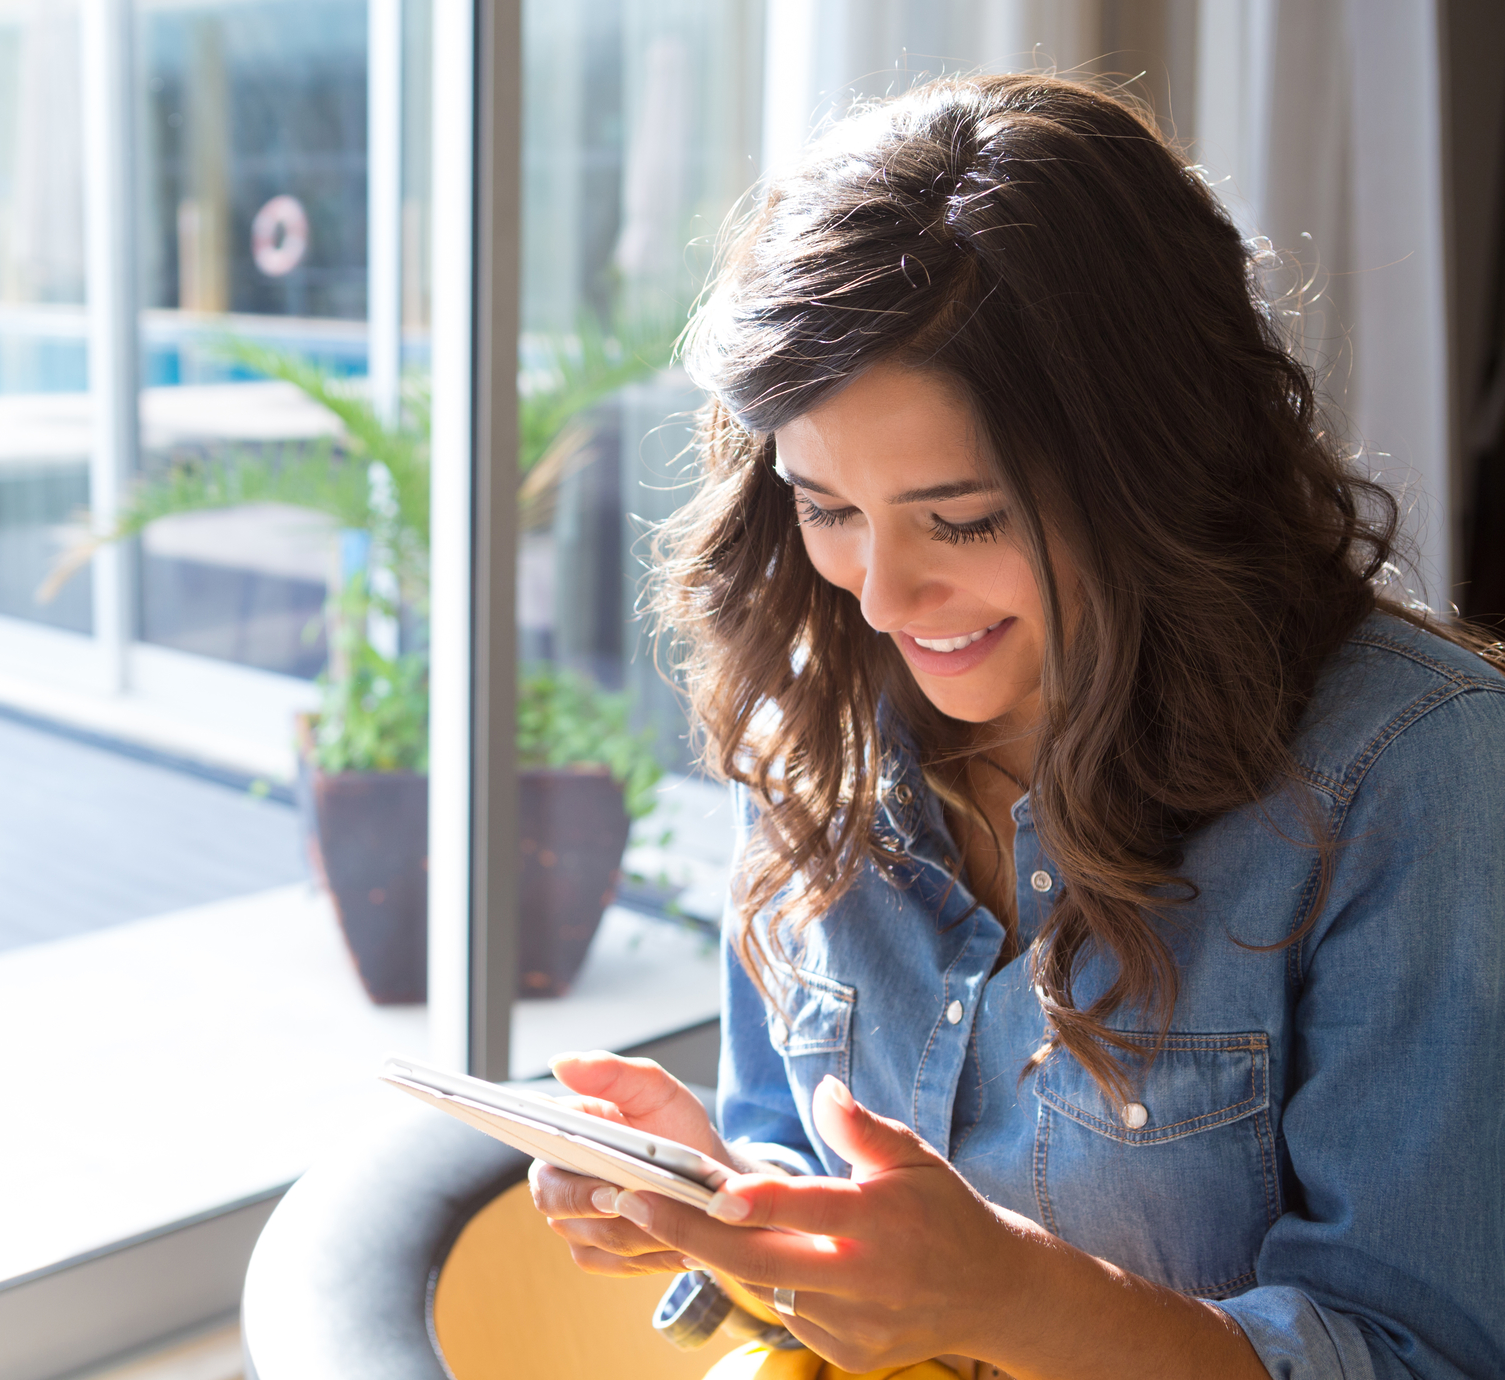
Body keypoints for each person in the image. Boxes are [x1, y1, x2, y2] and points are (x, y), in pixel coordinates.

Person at [528, 74, 1505, 1380]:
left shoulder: (1410, 774)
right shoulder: (824, 726)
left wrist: (1015, 1299)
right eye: (826, 506)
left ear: (1153, 467)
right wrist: (720, 1194)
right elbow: (831, 1201)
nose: (881, 593)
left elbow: (1420, 1351)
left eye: (964, 519)